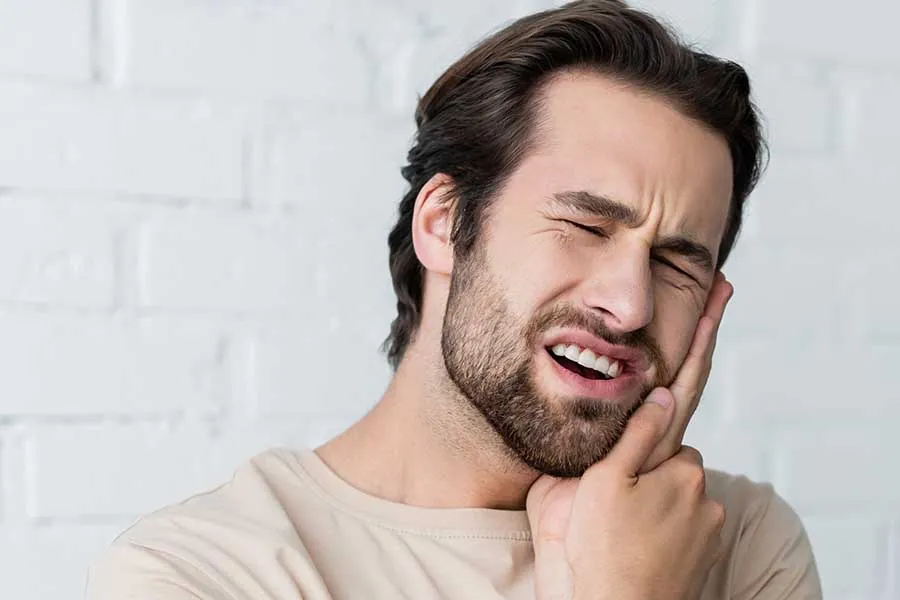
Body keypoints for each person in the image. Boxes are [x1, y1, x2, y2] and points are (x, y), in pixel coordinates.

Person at [86, 1, 822, 598]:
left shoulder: (737, 538)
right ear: (445, 224)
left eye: (674, 264)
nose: (629, 305)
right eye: (585, 225)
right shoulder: (201, 573)